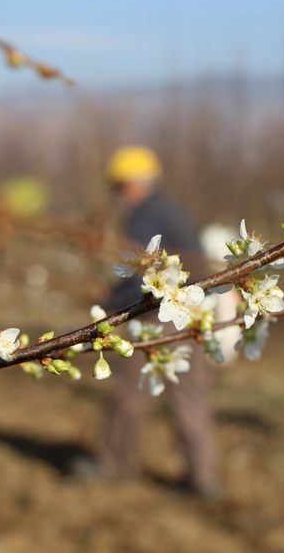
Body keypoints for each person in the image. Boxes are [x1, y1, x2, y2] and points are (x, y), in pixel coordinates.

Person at [98, 145, 220, 498]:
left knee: (131, 393)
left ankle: (113, 465)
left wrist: (111, 304)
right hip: (194, 311)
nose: (118, 194)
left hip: (158, 315)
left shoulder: (144, 216)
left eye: (119, 186)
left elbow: (141, 271)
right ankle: (204, 479)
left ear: (135, 183)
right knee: (191, 395)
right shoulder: (172, 209)